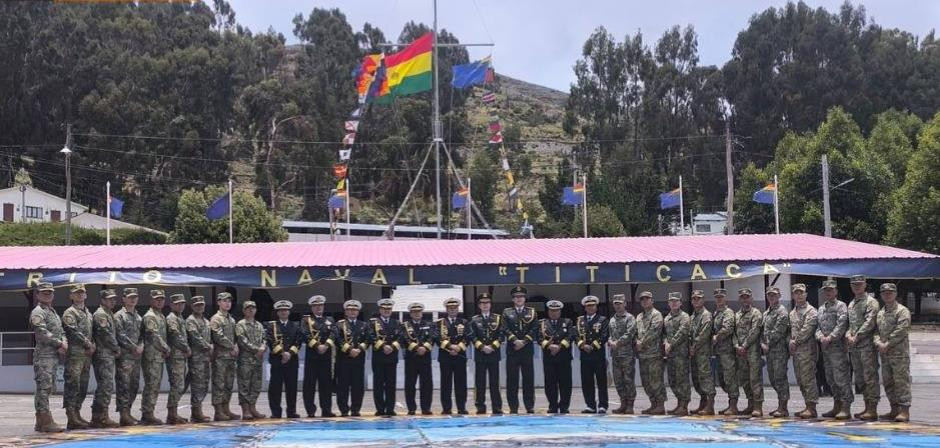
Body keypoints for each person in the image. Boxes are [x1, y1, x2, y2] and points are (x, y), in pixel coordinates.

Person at [30, 282, 66, 433]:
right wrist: (59, 344)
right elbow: (42, 332)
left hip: (52, 356)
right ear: (38, 295)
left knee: (48, 387)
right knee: (43, 389)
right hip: (44, 356)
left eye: (50, 292)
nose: (48, 295)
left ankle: (41, 422)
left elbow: (60, 330)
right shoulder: (38, 312)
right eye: (44, 293)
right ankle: (45, 421)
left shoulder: (52, 312)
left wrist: (64, 341)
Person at [874, 283, 912, 422]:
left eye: (890, 292)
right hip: (885, 354)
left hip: (899, 354)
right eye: (884, 293)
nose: (887, 295)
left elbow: (901, 330)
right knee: (888, 382)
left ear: (895, 294)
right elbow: (876, 331)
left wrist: (888, 343)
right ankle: (894, 409)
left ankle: (904, 410)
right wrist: (878, 342)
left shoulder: (902, 311)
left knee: (901, 382)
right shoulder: (880, 313)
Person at [846, 275, 881, 420]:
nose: (857, 287)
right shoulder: (852, 303)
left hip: (866, 346)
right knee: (860, 378)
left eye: (859, 284)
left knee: (870, 377)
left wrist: (857, 336)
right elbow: (850, 324)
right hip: (854, 347)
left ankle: (872, 408)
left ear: (865, 285)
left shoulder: (871, 302)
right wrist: (848, 334)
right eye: (854, 285)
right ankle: (866, 407)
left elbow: (870, 322)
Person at [815, 280, 851, 420]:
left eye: (831, 290)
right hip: (826, 349)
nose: (828, 292)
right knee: (830, 379)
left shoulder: (841, 306)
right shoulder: (821, 308)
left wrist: (830, 337)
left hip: (837, 349)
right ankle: (837, 405)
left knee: (841, 378)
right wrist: (820, 337)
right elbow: (817, 327)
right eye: (826, 290)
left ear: (836, 291)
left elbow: (842, 324)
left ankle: (846, 406)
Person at [62, 284, 95, 429]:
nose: (80, 295)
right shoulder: (70, 313)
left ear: (86, 295)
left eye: (82, 293)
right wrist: (89, 344)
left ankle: (77, 413)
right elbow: (74, 331)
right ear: (71, 296)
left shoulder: (88, 313)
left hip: (86, 356)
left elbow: (91, 332)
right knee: (72, 385)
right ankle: (71, 417)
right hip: (75, 355)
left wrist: (92, 344)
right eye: (77, 293)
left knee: (83, 385)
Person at [502, 286, 537, 414]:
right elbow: (504, 328)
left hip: (527, 350)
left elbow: (534, 328)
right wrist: (515, 340)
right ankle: (513, 407)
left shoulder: (532, 311)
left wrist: (524, 341)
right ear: (513, 299)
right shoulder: (507, 312)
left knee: (528, 379)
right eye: (516, 297)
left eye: (521, 296)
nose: (519, 299)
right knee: (512, 380)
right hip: (513, 350)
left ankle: (529, 406)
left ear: (525, 298)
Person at [334, 299, 371, 416]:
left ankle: (356, 409)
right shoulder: (339, 325)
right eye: (350, 310)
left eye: (355, 310)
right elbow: (337, 339)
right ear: (346, 312)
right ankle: (344, 410)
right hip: (343, 360)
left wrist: (359, 349)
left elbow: (369, 339)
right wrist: (350, 350)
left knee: (358, 386)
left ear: (358, 312)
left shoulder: (364, 325)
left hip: (358, 360)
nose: (352, 312)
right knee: (343, 387)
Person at [90, 289, 121, 428]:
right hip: (103, 355)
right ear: (102, 300)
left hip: (107, 355)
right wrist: (116, 347)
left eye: (114, 299)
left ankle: (99, 416)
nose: (113, 301)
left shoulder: (108, 313)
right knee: (105, 386)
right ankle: (101, 416)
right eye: (109, 299)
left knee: (105, 386)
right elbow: (106, 334)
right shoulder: (101, 314)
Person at [266, 300, 302, 419]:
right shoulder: (271, 326)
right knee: (275, 388)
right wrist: (282, 353)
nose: (283, 312)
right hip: (277, 361)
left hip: (292, 361)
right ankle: (276, 412)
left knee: (291, 388)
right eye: (281, 310)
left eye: (285, 310)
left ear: (289, 312)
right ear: (277, 312)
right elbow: (270, 341)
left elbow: (298, 342)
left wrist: (289, 353)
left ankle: (291, 411)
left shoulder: (296, 326)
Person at [469, 292, 504, 414]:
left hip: (494, 354)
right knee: (480, 383)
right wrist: (482, 347)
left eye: (487, 302)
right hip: (481, 355)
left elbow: (501, 335)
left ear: (490, 304)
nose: (485, 305)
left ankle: (497, 407)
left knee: (495, 382)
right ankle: (480, 407)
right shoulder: (474, 320)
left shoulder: (498, 318)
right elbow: (472, 336)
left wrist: (492, 346)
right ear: (479, 305)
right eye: (482, 303)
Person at [788, 283, 819, 419]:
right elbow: (790, 330)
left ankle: (812, 407)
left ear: (806, 294)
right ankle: (807, 405)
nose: (799, 295)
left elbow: (808, 329)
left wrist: (795, 341)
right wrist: (790, 340)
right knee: (800, 379)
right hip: (796, 352)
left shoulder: (811, 311)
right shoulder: (792, 312)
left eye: (801, 292)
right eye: (796, 293)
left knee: (808, 379)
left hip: (807, 351)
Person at [301, 295, 335, 417]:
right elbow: (304, 334)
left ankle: (326, 410)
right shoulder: (306, 320)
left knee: (326, 384)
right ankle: (310, 410)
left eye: (320, 305)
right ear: (312, 307)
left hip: (326, 356)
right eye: (316, 306)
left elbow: (334, 334)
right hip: (312, 357)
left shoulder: (329, 319)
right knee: (309, 385)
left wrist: (325, 345)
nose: (318, 308)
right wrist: (317, 346)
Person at [114, 287, 144, 426]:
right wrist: (134, 347)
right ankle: (123, 414)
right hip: (125, 358)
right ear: (124, 299)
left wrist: (141, 345)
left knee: (134, 386)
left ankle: (129, 412)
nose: (133, 299)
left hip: (136, 358)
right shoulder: (119, 316)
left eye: (135, 297)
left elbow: (143, 335)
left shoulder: (139, 317)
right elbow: (120, 335)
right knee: (124, 386)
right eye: (130, 297)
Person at [140, 289, 170, 425]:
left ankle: (149, 412)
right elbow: (154, 336)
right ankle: (147, 413)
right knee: (151, 385)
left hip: (158, 356)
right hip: (152, 356)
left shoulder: (160, 316)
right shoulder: (150, 316)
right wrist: (166, 348)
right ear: (151, 300)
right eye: (157, 299)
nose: (160, 301)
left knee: (155, 385)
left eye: (162, 299)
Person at [210, 292, 240, 421]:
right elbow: (218, 336)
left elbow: (235, 335)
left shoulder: (231, 319)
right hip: (220, 357)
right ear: (218, 302)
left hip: (231, 357)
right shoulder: (216, 318)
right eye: (224, 301)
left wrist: (236, 345)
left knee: (228, 384)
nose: (227, 303)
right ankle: (218, 411)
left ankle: (226, 408)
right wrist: (232, 346)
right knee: (219, 384)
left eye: (229, 301)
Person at [436, 297, 469, 415]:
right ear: (446, 309)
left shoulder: (464, 322)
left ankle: (461, 407)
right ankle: (446, 408)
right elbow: (437, 338)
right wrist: (450, 347)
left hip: (460, 357)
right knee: (446, 384)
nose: (452, 310)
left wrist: (458, 348)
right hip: (446, 357)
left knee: (461, 383)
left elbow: (467, 337)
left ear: (458, 309)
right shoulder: (439, 323)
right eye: (450, 308)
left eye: (455, 308)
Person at [734, 288, 764, 417]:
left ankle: (758, 406)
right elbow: (733, 333)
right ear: (740, 299)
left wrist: (744, 346)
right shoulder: (737, 315)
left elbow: (755, 332)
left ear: (751, 298)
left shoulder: (756, 313)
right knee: (744, 380)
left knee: (754, 379)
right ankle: (750, 404)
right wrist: (736, 345)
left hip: (752, 352)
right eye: (743, 297)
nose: (745, 299)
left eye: (747, 297)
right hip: (740, 353)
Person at [576, 295, 609, 414]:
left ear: (596, 306)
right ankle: (590, 405)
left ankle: (603, 405)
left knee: (601, 382)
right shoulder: (580, 320)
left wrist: (593, 346)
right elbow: (576, 336)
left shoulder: (602, 320)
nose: (590, 308)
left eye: (592, 305)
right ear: (585, 307)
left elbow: (604, 335)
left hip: (598, 355)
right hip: (585, 356)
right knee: (587, 381)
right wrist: (582, 345)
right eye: (588, 306)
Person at [761, 287, 790, 417]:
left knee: (780, 378)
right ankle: (780, 405)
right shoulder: (767, 313)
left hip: (779, 351)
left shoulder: (782, 311)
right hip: (769, 351)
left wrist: (767, 343)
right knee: (773, 379)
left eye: (774, 295)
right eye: (769, 295)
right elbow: (762, 330)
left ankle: (783, 407)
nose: (772, 297)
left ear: (779, 296)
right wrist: (762, 343)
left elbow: (779, 331)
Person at [236, 300, 267, 420]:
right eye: (248, 308)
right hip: (245, 360)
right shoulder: (240, 325)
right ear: (244, 310)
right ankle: (245, 410)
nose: (251, 310)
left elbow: (264, 338)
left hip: (257, 360)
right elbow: (242, 341)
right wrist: (257, 349)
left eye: (253, 308)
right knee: (244, 385)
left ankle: (253, 407)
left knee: (256, 385)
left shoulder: (259, 325)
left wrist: (263, 347)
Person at [636, 291, 665, 415]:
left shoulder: (656, 315)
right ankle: (653, 404)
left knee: (656, 380)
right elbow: (635, 332)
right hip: (643, 355)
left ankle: (660, 405)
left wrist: (641, 342)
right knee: (646, 381)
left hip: (654, 354)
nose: (644, 301)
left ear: (652, 300)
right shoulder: (639, 317)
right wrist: (636, 340)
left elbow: (654, 331)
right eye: (642, 299)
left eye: (647, 299)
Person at [403, 302, 436, 415]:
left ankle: (426, 408)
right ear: (411, 313)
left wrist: (424, 348)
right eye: (414, 312)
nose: (417, 313)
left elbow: (432, 337)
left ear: (422, 313)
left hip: (425, 358)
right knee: (410, 384)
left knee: (426, 384)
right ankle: (411, 408)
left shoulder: (430, 324)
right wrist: (417, 348)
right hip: (411, 358)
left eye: (419, 311)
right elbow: (404, 339)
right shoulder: (405, 325)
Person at [370, 298, 401, 417]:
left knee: (390, 385)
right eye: (384, 309)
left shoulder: (397, 323)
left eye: (389, 309)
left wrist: (392, 346)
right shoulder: (373, 323)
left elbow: (401, 337)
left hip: (391, 358)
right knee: (378, 385)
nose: (386, 310)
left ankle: (390, 409)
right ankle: (380, 409)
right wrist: (383, 346)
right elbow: (371, 336)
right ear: (380, 310)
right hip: (378, 358)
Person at [606, 294, 636, 414]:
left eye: (620, 303)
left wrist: (617, 343)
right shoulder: (612, 319)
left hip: (627, 355)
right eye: (616, 303)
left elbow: (630, 334)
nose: (618, 305)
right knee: (618, 380)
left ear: (625, 304)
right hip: (616, 355)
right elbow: (610, 334)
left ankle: (630, 405)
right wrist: (609, 341)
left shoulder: (630, 318)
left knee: (628, 380)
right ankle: (623, 403)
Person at [711, 288, 738, 415]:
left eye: (721, 297)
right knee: (722, 379)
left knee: (730, 378)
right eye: (717, 297)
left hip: (727, 352)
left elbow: (727, 328)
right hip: (718, 352)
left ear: (725, 298)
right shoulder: (716, 313)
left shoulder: (728, 313)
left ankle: (733, 405)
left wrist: (717, 336)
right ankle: (730, 405)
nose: (719, 299)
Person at [663, 292, 691, 416]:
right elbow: (664, 334)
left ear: (680, 303)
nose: (674, 303)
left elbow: (682, 332)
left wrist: (671, 344)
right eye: (671, 301)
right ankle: (679, 404)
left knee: (682, 380)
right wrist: (665, 342)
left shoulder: (684, 316)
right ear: (668, 303)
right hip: (670, 355)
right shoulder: (667, 318)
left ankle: (684, 406)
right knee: (672, 380)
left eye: (676, 301)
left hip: (681, 355)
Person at [165, 294, 192, 424]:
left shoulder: (180, 317)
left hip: (180, 357)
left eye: (182, 303)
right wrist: (186, 348)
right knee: (177, 385)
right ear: (171, 305)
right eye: (177, 304)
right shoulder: (172, 318)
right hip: (175, 356)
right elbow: (175, 335)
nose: (180, 306)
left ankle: (174, 412)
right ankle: (172, 414)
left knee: (180, 385)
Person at [186, 295, 213, 423]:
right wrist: (209, 347)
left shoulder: (206, 321)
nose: (200, 307)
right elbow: (195, 337)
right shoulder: (191, 320)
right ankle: (196, 412)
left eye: (202, 304)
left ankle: (198, 410)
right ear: (192, 306)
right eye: (197, 305)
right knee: (197, 385)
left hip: (205, 358)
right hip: (196, 359)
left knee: (203, 384)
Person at [689, 290, 715, 416]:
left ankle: (710, 405)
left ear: (703, 300)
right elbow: (690, 333)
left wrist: (694, 346)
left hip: (702, 353)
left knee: (705, 378)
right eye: (694, 299)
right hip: (694, 353)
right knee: (696, 379)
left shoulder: (706, 315)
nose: (696, 300)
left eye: (698, 298)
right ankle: (703, 402)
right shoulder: (693, 316)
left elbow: (704, 334)